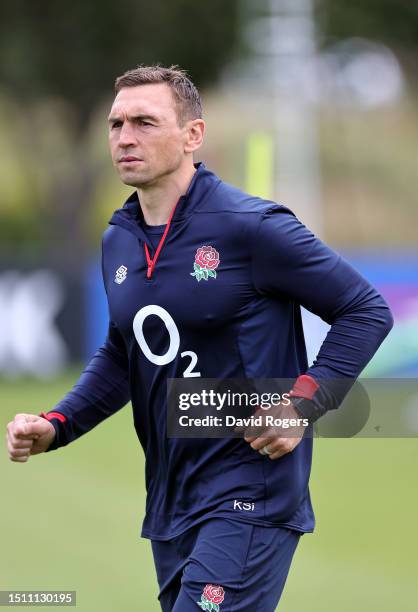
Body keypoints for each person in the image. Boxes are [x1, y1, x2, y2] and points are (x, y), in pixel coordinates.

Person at [6, 65, 393, 611]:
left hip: (251, 493)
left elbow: (364, 309)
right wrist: (57, 424)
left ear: (193, 135)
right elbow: (126, 352)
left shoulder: (252, 227)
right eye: (116, 124)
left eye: (144, 121)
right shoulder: (118, 239)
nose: (125, 137)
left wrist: (303, 404)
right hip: (172, 498)